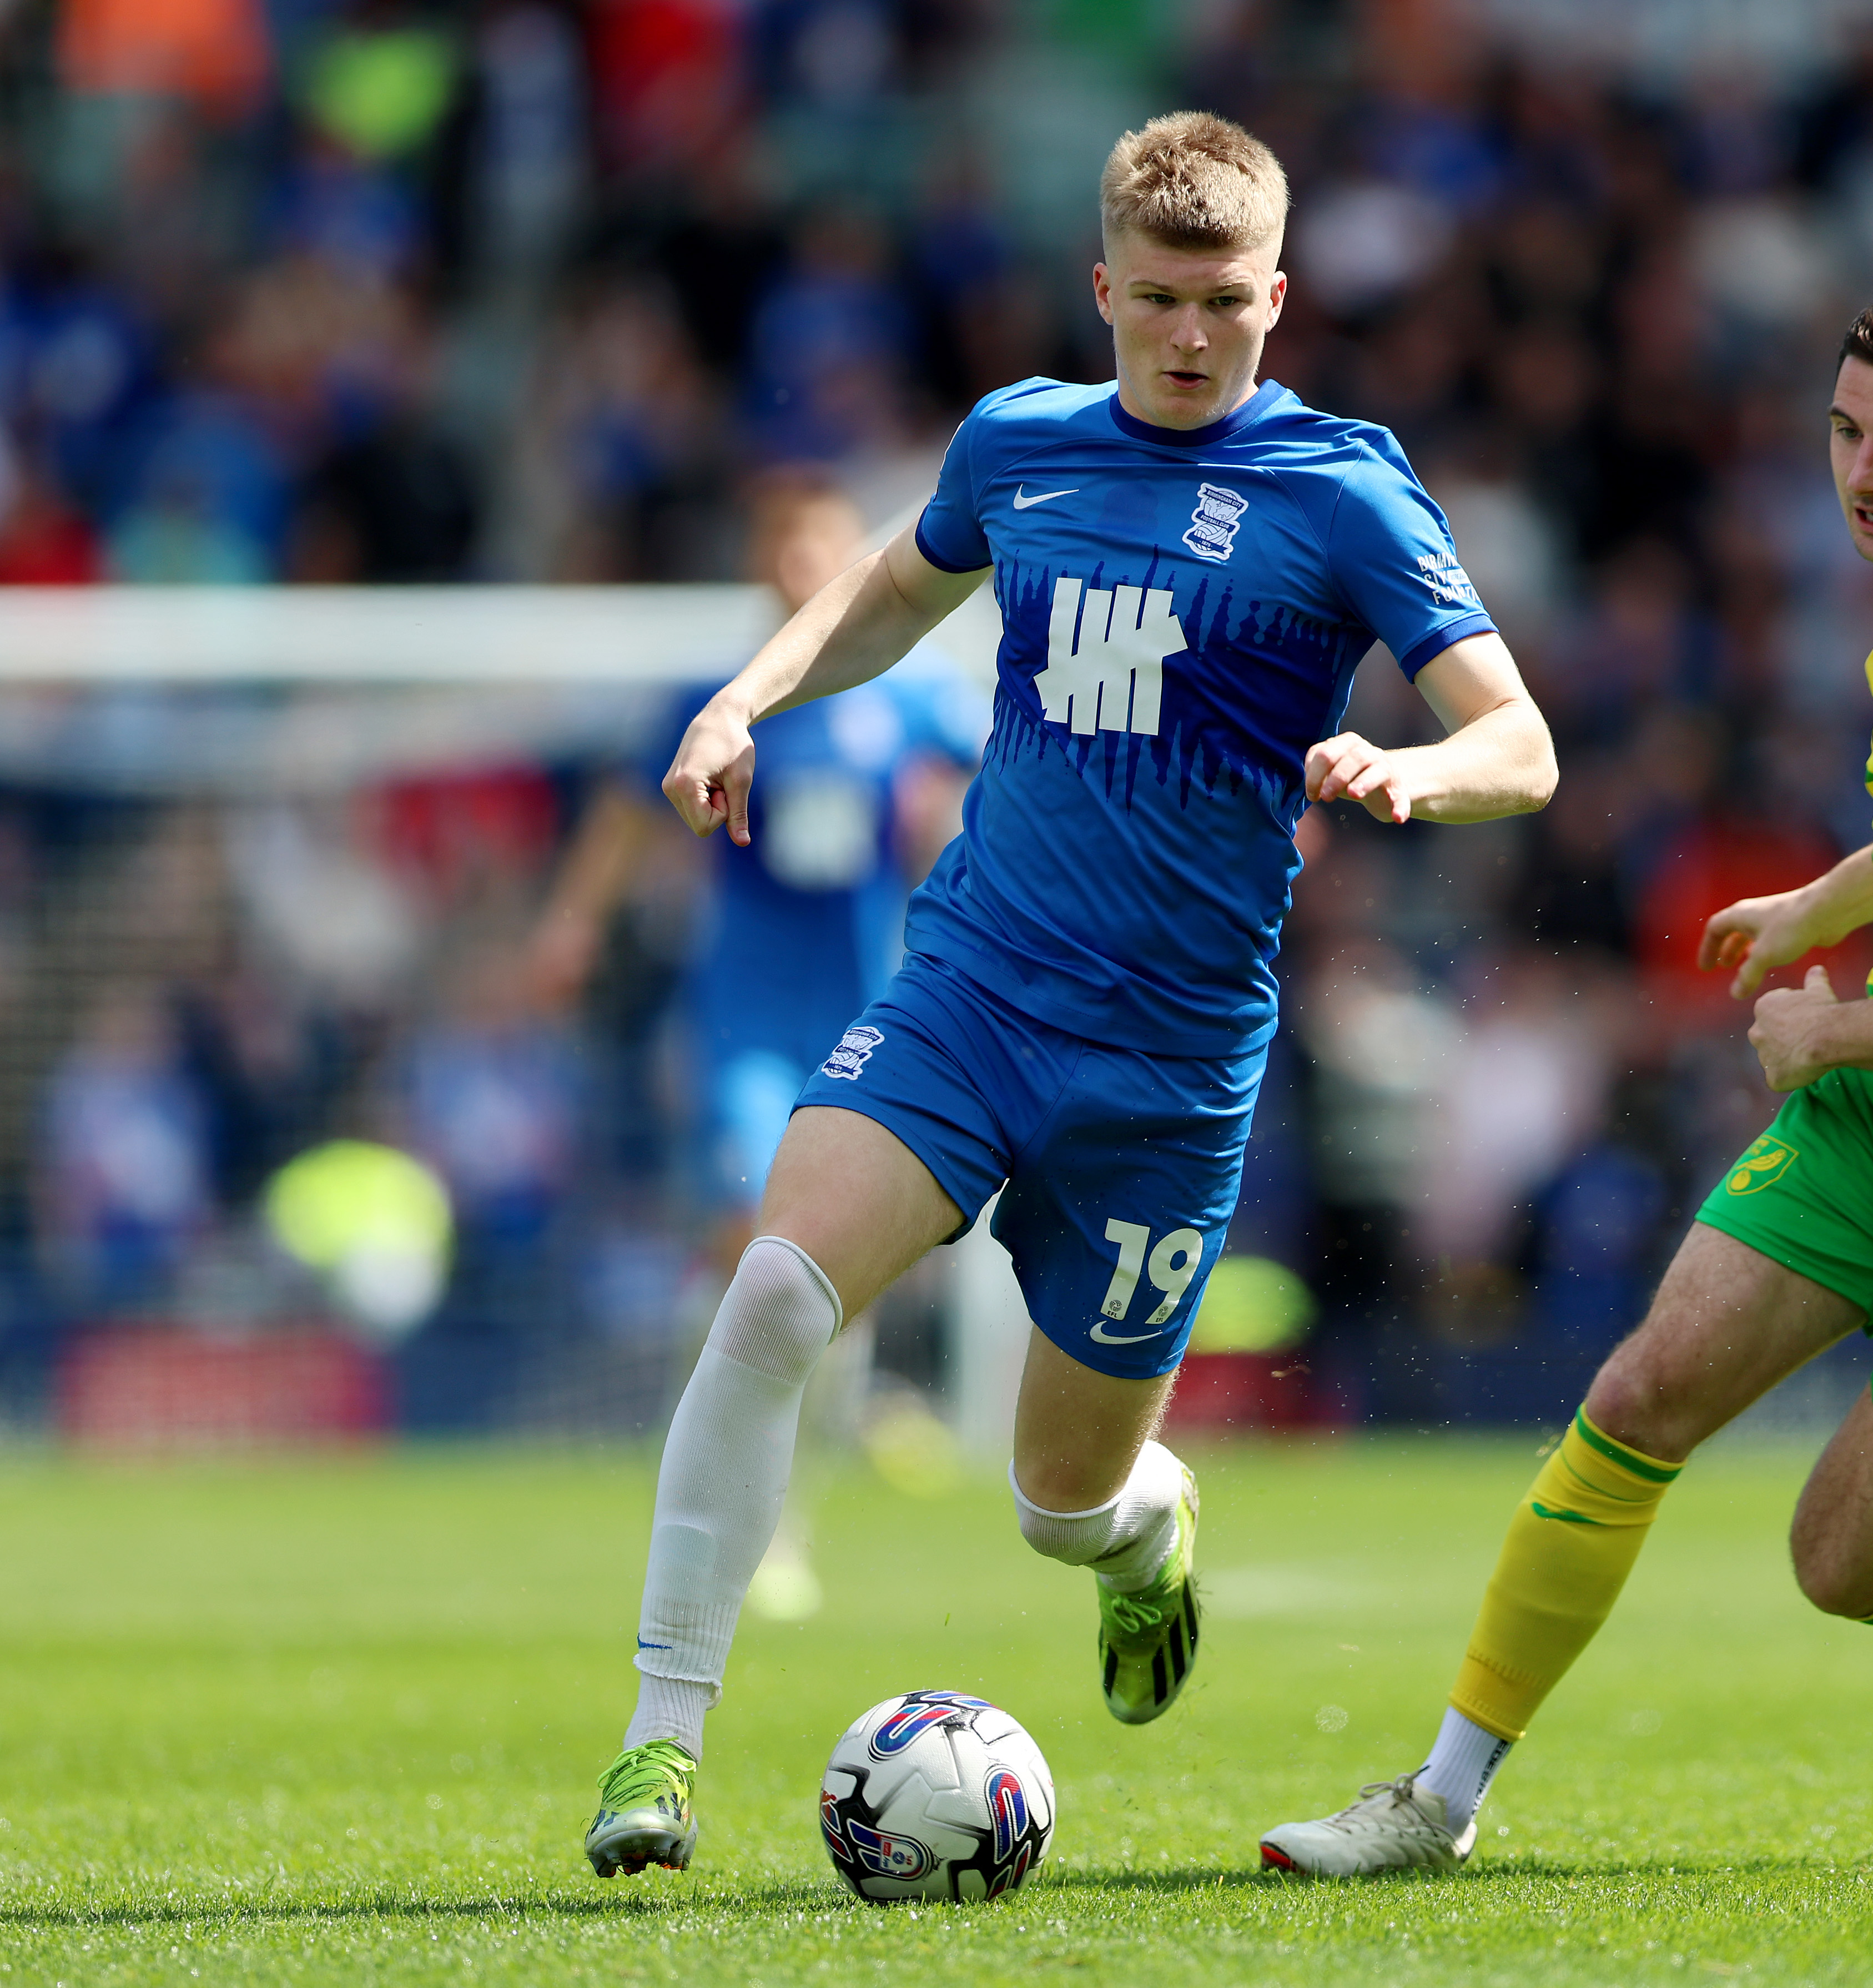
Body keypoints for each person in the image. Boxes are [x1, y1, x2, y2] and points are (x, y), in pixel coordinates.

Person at [583, 111, 1559, 1877]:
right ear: (1103, 287)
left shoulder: (1341, 486)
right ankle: (661, 1741)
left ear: (1279, 297)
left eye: (1226, 303)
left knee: (1060, 1499)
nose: (1191, 335)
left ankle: (1142, 1535)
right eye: (1159, 299)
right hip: (974, 983)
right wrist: (743, 702)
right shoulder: (1018, 442)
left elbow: (1523, 739)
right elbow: (890, 592)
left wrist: (1419, 771)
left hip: (1171, 1064)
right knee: (777, 1290)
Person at [1260, 289, 1873, 1879]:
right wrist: (1827, 900)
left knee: (1842, 1563)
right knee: (1638, 1399)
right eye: (1847, 432)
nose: (1864, 473)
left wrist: (1822, 1034)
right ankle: (1437, 1799)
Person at [529, 466, 980, 1620]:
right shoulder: (722, 698)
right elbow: (628, 811)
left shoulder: (911, 700)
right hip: (743, 1023)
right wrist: (574, 923)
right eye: (780, 546)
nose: (798, 566)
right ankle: (706, 1487)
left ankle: (782, 1520)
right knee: (757, 1251)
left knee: (832, 1282)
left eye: (818, 545)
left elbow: (1003, 780)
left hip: (868, 1021)